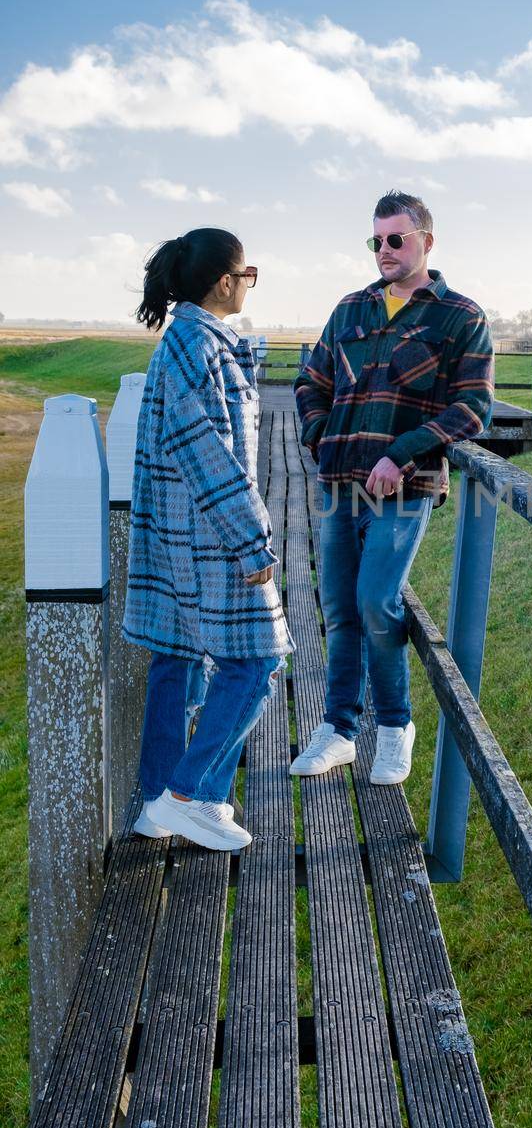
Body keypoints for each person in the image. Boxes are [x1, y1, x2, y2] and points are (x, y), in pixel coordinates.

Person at [292, 192, 493, 784]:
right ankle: (338, 730)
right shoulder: (350, 309)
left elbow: (473, 406)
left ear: (426, 242)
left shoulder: (460, 316)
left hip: (405, 487)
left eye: (396, 240)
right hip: (341, 481)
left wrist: (401, 454)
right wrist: (319, 436)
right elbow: (311, 382)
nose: (385, 250)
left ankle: (394, 729)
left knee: (377, 600)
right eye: (376, 241)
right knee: (338, 606)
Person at [124, 226, 292, 852]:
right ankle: (192, 795)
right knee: (258, 661)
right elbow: (209, 455)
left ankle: (155, 805)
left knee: (175, 657)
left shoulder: (187, 341)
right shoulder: (201, 346)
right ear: (226, 281)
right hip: (206, 535)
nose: (249, 284)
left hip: (175, 529)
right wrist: (252, 541)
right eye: (248, 274)